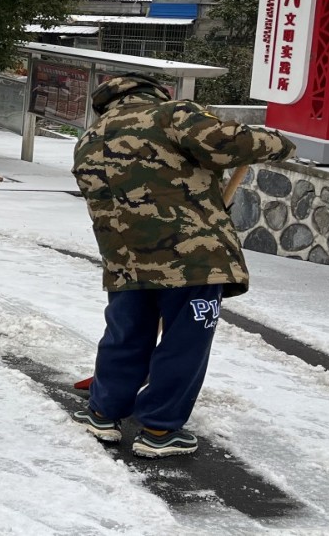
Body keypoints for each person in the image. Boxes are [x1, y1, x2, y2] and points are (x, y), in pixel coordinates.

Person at [70, 73, 295, 458]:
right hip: (192, 257)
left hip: (125, 260)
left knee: (126, 333)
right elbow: (230, 143)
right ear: (154, 93)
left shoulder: (89, 139)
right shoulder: (172, 115)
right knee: (184, 341)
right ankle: (159, 428)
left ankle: (104, 413)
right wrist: (280, 142)